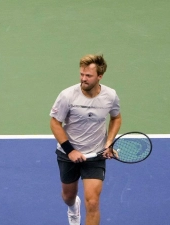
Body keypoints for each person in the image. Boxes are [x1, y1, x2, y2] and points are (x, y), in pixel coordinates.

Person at [49, 54, 122, 225]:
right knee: (68, 196)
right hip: (68, 154)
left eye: (88, 75)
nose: (83, 79)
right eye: (81, 74)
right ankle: (73, 208)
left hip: (95, 155)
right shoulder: (67, 95)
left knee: (93, 202)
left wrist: (109, 143)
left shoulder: (110, 96)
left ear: (100, 76)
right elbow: (55, 123)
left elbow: (116, 118)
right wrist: (71, 151)